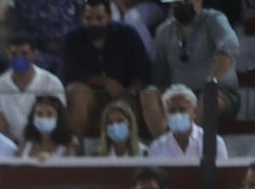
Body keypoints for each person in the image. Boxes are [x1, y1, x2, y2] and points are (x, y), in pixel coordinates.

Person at [140, 0, 239, 138]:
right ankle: (164, 142)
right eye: (178, 1)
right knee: (148, 94)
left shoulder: (214, 20)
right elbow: (159, 73)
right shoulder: (164, 31)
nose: (182, 3)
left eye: (187, 0)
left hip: (219, 92)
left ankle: (191, 142)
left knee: (210, 98)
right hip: (179, 93)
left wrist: (211, 81)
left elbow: (228, 49)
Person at [62, 0, 150, 137]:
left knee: (130, 100)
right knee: (75, 92)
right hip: (90, 93)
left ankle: (129, 146)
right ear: (82, 19)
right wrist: (104, 82)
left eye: (99, 18)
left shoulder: (127, 34)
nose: (94, 23)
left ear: (109, 17)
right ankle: (76, 145)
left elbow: (142, 69)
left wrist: (130, 91)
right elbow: (70, 73)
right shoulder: (72, 39)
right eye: (88, 18)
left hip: (123, 91)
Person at [0, 33, 67, 142]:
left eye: (24, 54)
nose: (19, 58)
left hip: (43, 142)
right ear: (7, 55)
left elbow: (60, 119)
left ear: (34, 55)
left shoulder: (51, 83)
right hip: (9, 143)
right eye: (14, 54)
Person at [146, 83, 228, 160]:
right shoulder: (157, 147)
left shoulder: (213, 143)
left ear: (194, 112)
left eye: (182, 109)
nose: (177, 114)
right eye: (172, 110)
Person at [17, 95, 82, 159]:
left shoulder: (69, 144)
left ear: (59, 118)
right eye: (39, 114)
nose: (44, 118)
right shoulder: (25, 143)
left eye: (49, 114)